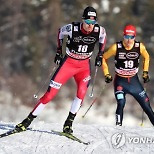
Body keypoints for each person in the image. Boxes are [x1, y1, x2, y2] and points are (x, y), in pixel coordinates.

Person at [15, 6, 107, 134]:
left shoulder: (99, 30)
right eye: (87, 22)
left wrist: (100, 54)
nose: (90, 25)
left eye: (93, 22)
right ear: (83, 20)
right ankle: (27, 121)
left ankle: (68, 123)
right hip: (68, 64)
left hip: (84, 67)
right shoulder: (72, 28)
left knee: (81, 93)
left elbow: (103, 38)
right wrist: (59, 51)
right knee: (49, 95)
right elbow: (60, 33)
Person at [102, 24, 154, 127]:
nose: (129, 40)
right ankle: (118, 126)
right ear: (123, 35)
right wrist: (106, 74)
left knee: (146, 106)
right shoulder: (116, 47)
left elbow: (147, 57)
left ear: (135, 37)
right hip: (120, 82)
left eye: (131, 37)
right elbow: (103, 58)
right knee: (121, 103)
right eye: (126, 37)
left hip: (134, 83)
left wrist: (145, 72)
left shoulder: (139, 46)